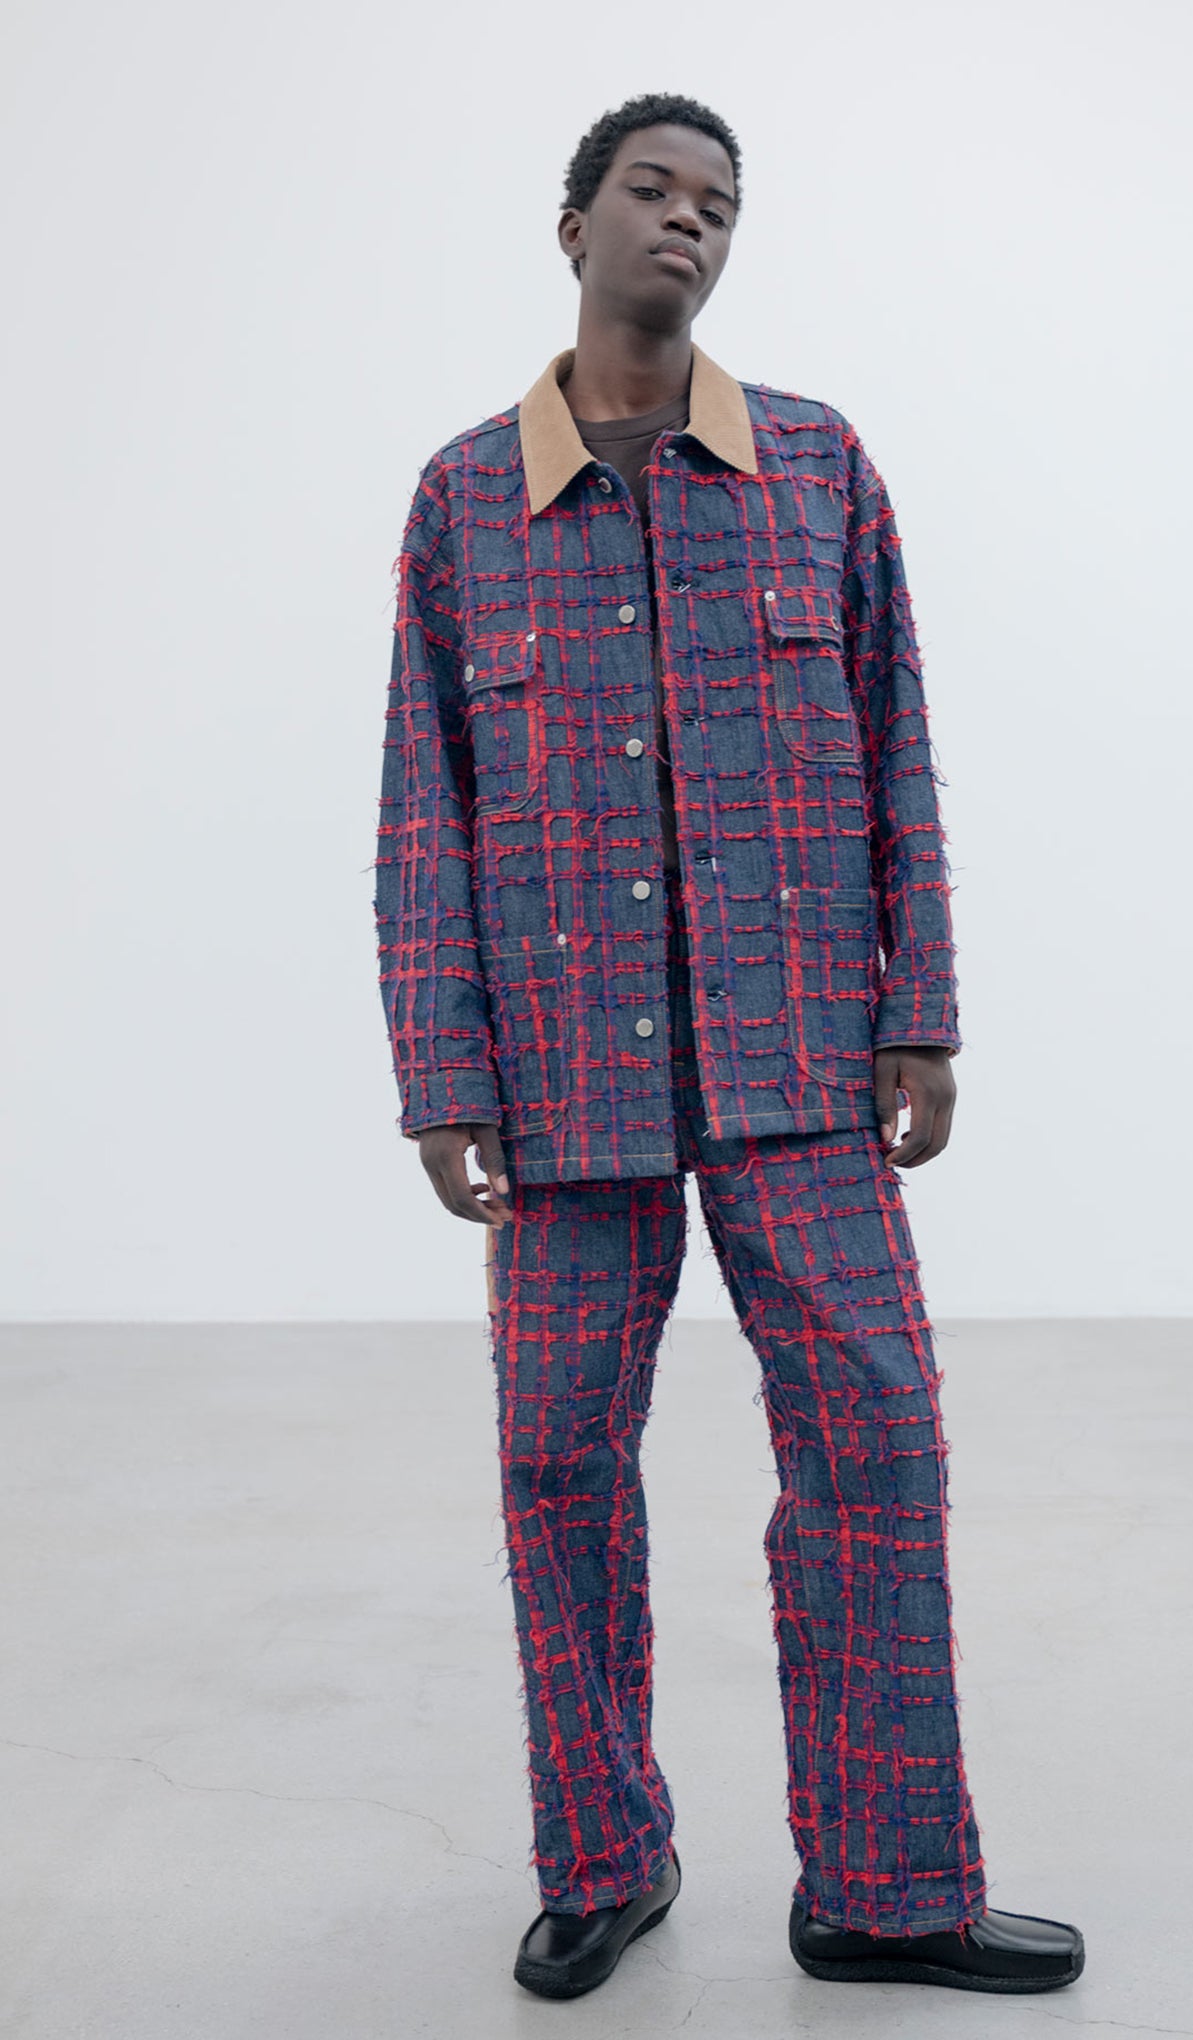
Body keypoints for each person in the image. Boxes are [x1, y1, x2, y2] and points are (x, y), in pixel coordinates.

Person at [374, 90, 1084, 2004]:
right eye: (652, 189)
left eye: (720, 202)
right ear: (574, 225)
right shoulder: (464, 502)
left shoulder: (819, 467)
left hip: (804, 1064)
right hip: (562, 1082)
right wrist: (442, 1074)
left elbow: (900, 743)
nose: (687, 221)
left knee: (880, 1443)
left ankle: (886, 1886)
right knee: (557, 1470)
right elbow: (425, 806)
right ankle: (603, 1860)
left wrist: (922, 1010)